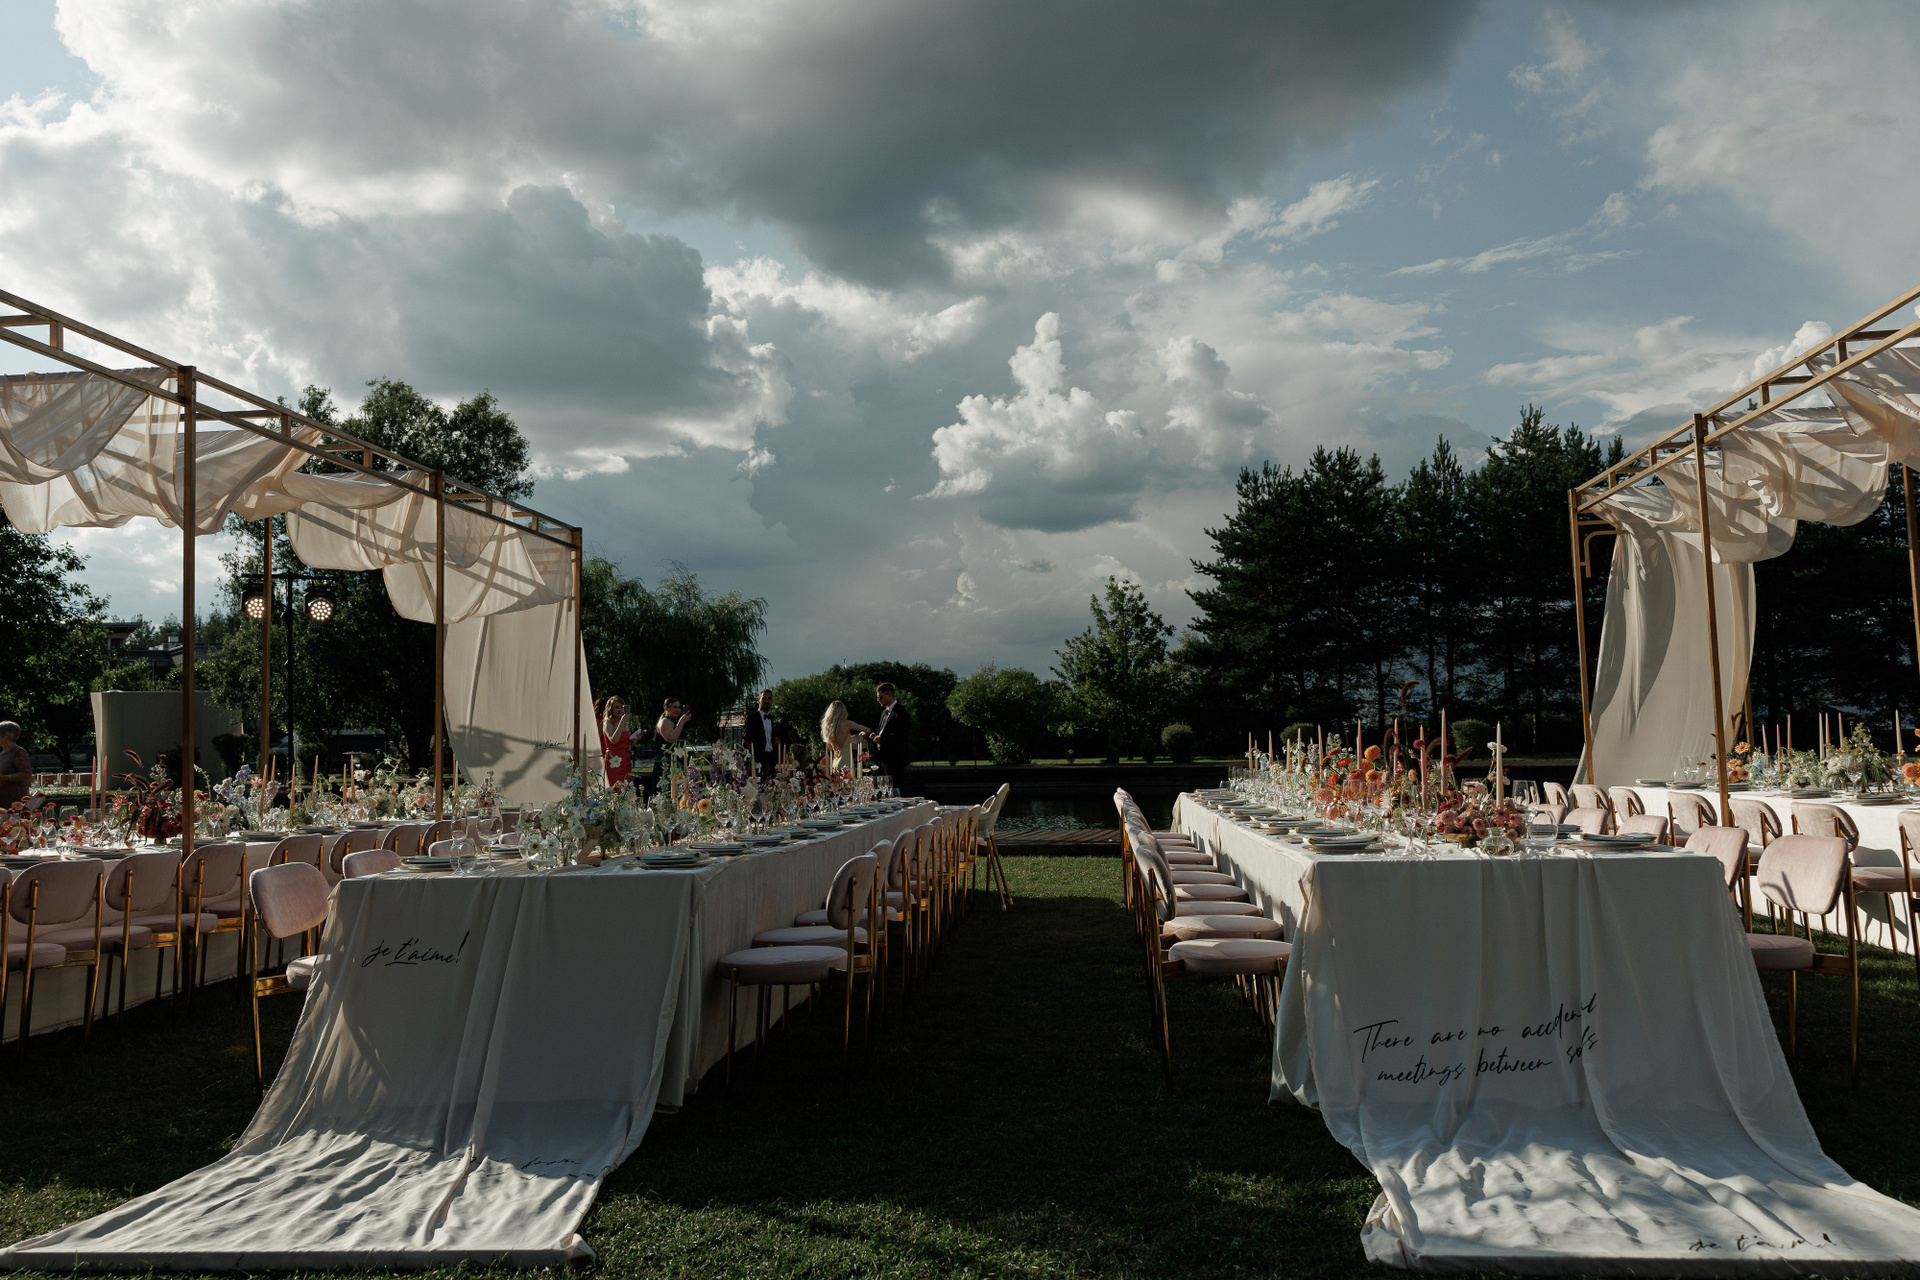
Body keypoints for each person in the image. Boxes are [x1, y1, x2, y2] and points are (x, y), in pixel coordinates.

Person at [867, 683, 913, 794]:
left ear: (889, 695)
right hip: (882, 758)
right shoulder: (884, 713)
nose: (878, 700)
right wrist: (875, 735)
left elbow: (903, 735)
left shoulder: (901, 712)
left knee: (895, 789)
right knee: (882, 790)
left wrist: (882, 739)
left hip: (894, 759)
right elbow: (884, 731)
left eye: (880, 697)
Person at [651, 697, 693, 795]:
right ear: (666, 708)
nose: (677, 709)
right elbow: (671, 739)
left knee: (680, 792)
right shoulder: (665, 721)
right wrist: (681, 722)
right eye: (674, 707)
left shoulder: (674, 721)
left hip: (679, 759)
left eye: (679, 707)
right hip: (667, 761)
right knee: (667, 792)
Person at [743, 689, 788, 779]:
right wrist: (750, 760)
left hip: (771, 759)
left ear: (771, 701)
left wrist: (777, 743)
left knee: (771, 785)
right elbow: (746, 741)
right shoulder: (752, 718)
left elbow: (771, 737)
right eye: (764, 698)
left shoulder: (771, 718)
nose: (767, 701)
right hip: (757, 760)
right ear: (759, 700)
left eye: (769, 698)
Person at [819, 700, 870, 774]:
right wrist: (862, 733)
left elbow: (830, 747)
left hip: (835, 761)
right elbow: (867, 730)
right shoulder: (847, 724)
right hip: (846, 762)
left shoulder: (829, 727)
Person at [599, 696, 633, 788]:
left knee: (626, 789)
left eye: (621, 707)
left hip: (625, 760)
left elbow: (628, 745)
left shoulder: (626, 724)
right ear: (611, 709)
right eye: (616, 707)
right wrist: (622, 722)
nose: (619, 710)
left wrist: (635, 739)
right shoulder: (608, 723)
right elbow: (614, 740)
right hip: (613, 760)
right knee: (615, 788)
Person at [0, 722, 30, 809]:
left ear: (7, 735)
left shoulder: (18, 752)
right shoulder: (2, 753)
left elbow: (26, 773)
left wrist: (4, 777)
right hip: (3, 799)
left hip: (15, 800)